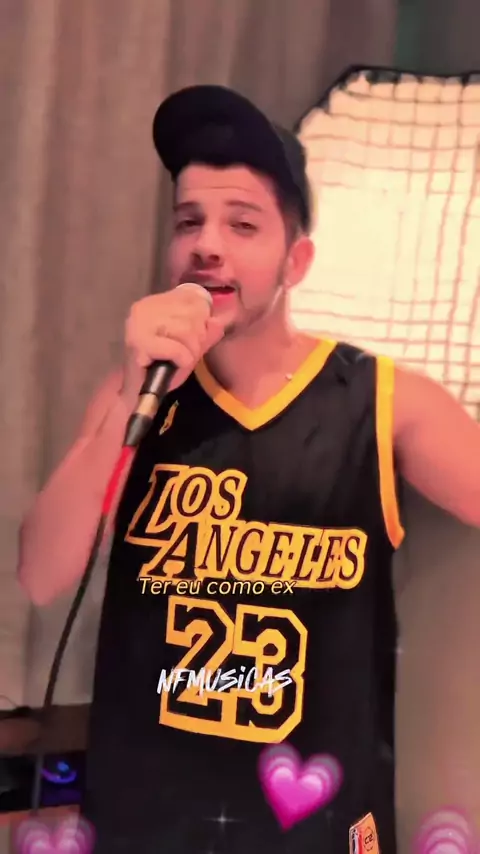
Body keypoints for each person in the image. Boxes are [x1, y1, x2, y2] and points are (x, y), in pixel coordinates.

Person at [18, 85, 480, 854]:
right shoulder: (136, 396)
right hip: (146, 825)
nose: (207, 245)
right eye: (188, 221)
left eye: (242, 224)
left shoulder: (384, 400)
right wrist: (131, 392)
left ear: (296, 260)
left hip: (316, 825)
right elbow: (39, 576)